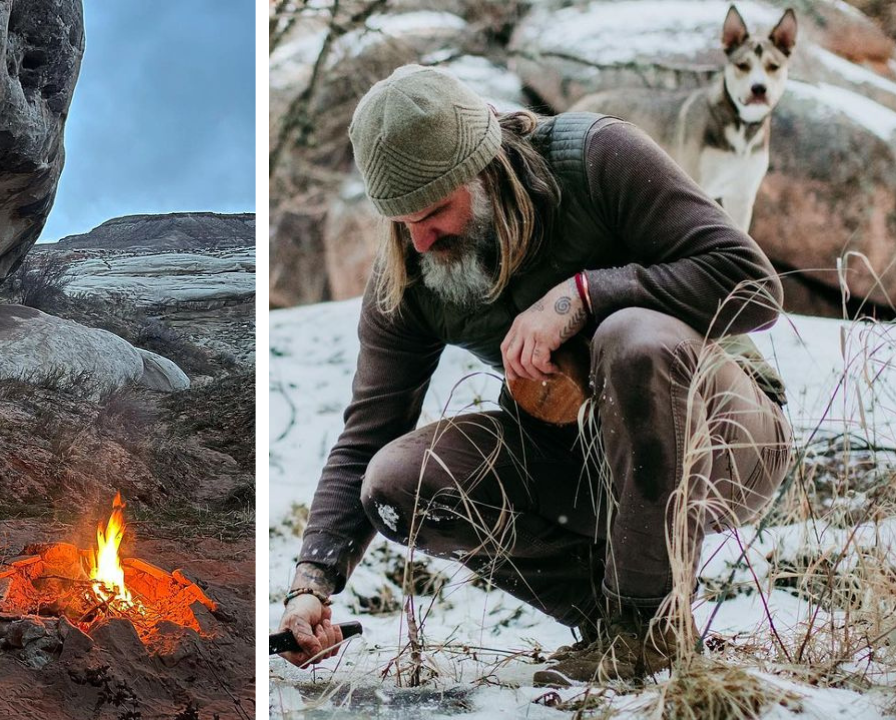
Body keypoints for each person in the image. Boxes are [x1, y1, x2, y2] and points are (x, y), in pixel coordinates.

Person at [275, 65, 792, 686]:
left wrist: (587, 293)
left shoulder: (597, 157)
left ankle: (642, 632)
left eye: (436, 209)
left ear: (485, 165)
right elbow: (366, 436)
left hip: (724, 438)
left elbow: (753, 283)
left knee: (633, 339)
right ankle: (626, 628)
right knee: (394, 483)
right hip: (577, 459)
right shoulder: (408, 272)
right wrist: (312, 585)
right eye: (400, 219)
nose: (420, 239)